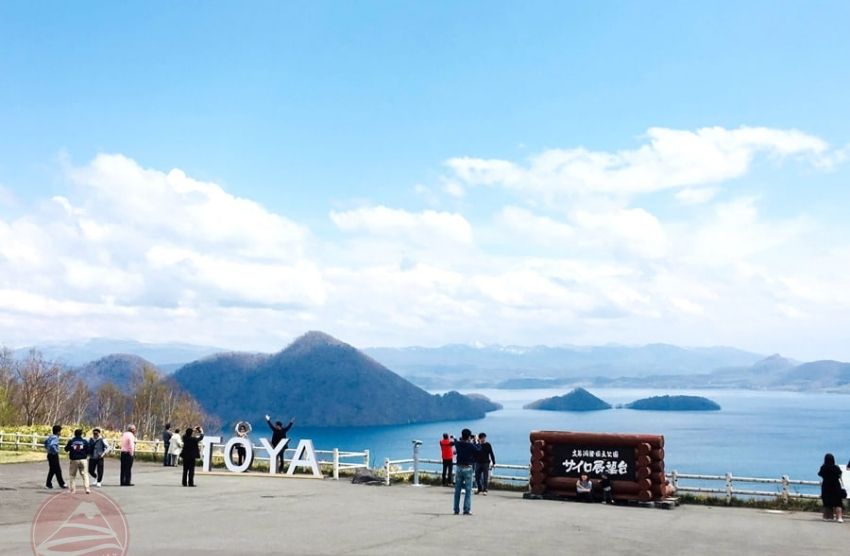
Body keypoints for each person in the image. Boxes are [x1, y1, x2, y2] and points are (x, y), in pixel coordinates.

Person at [452, 428, 481, 515]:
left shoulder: (458, 444)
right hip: (467, 468)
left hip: (459, 468)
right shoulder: (470, 445)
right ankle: (466, 509)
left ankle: (456, 509)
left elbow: (455, 441)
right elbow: (478, 450)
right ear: (469, 437)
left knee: (457, 490)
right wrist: (477, 441)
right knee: (468, 490)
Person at [818, 453, 844, 522]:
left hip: (826, 486)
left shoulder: (823, 467)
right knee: (838, 503)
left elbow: (820, 474)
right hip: (836, 486)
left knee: (827, 502)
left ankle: (827, 517)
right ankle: (839, 517)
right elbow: (840, 474)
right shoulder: (836, 467)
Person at [64, 428, 91, 494]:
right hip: (83, 459)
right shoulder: (84, 441)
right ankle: (87, 489)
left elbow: (66, 449)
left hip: (74, 460)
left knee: (72, 475)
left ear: (75, 434)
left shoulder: (71, 441)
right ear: (81, 434)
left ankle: (73, 490)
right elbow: (88, 450)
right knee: (85, 475)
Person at [44, 424, 67, 490]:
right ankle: (61, 484)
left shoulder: (50, 436)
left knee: (53, 470)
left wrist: (47, 449)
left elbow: (45, 443)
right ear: (57, 432)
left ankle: (50, 483)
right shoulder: (55, 437)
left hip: (49, 455)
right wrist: (56, 451)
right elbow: (52, 445)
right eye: (60, 431)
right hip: (53, 455)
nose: (60, 433)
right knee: (57, 470)